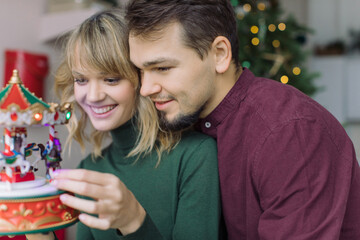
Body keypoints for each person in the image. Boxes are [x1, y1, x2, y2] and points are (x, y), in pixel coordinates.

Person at [126, 0, 360, 239]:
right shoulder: (183, 122)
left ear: (219, 55)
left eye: (162, 68)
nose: (145, 88)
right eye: (140, 71)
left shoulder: (289, 131)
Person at [26, 8, 220, 240]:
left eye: (111, 79)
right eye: (81, 80)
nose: (94, 95)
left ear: (141, 79)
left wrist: (133, 221)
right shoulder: (89, 169)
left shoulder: (195, 156)